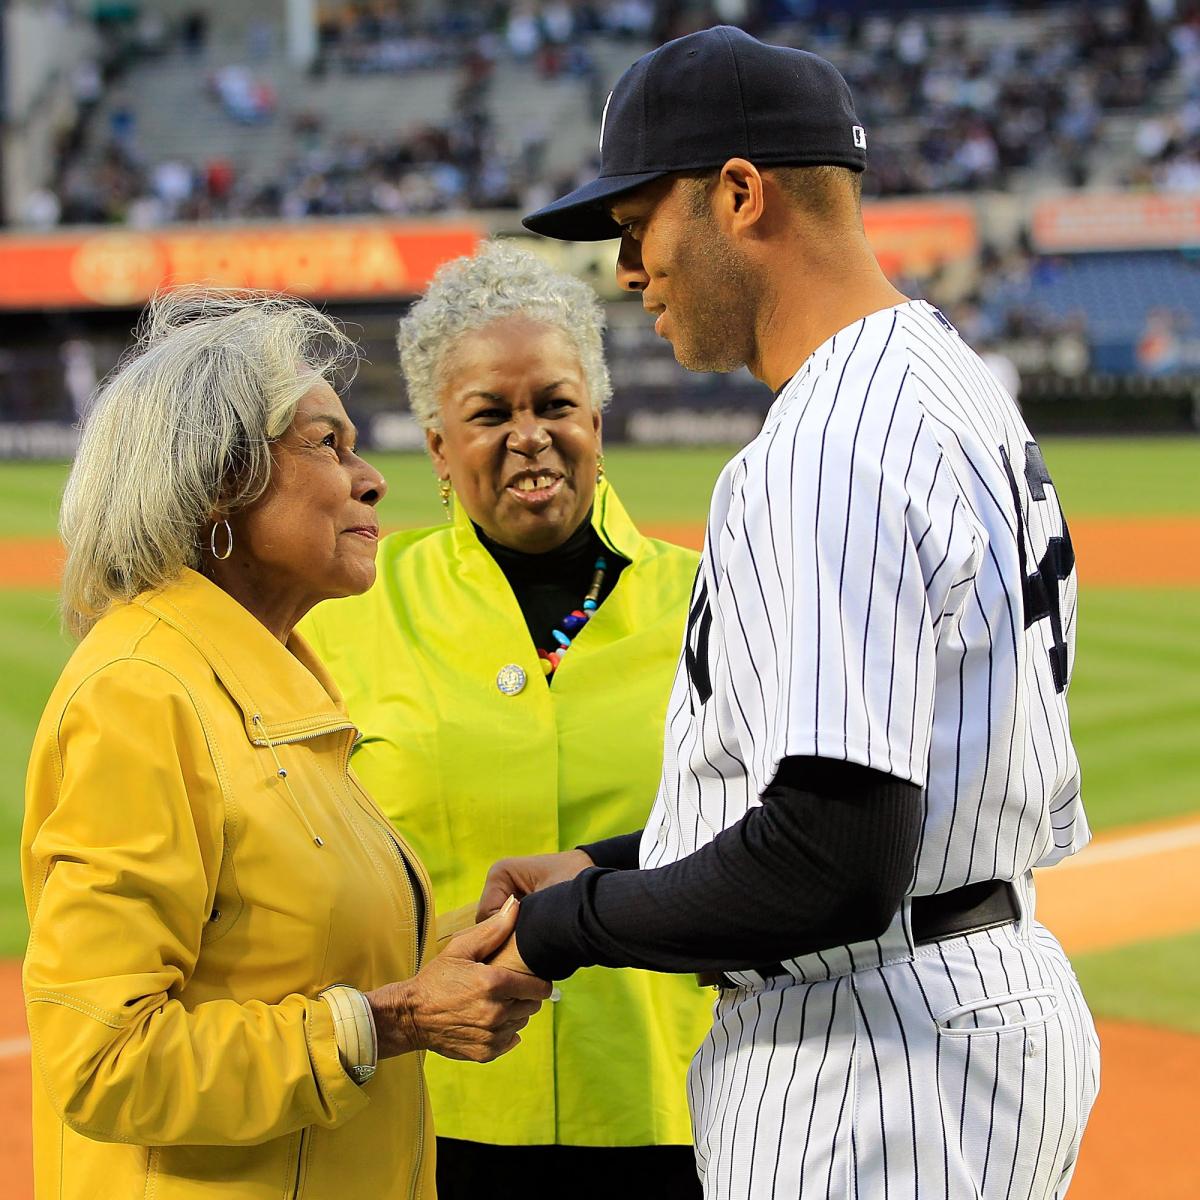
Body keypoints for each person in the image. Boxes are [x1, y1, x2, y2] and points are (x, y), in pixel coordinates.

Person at [481, 26, 1100, 1199]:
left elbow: (829, 859)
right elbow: (842, 789)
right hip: (956, 1012)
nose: (628, 271)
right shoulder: (948, 381)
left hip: (871, 1059)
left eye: (636, 227)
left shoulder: (825, 449)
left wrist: (566, 932)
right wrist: (605, 866)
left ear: (740, 195)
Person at [22, 289, 550, 1200]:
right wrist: (393, 1023)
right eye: (325, 444)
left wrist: (497, 927)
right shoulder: (142, 695)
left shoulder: (268, 676)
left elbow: (286, 959)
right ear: (219, 479)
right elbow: (104, 1062)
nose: (371, 478)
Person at [300, 241, 709, 1199]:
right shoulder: (345, 610)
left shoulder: (715, 602)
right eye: (490, 413)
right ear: (439, 446)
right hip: (426, 1112)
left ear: (597, 421)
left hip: (673, 1106)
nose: (528, 435)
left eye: (554, 405)